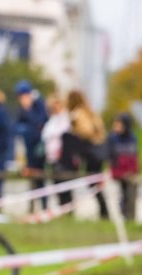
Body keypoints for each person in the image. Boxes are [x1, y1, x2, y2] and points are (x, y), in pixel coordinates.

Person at [62, 89, 109, 219]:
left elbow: (86, 132)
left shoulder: (77, 114)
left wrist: (75, 132)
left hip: (90, 153)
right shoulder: (91, 112)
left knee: (92, 182)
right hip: (98, 152)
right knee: (95, 182)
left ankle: (104, 211)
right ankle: (104, 211)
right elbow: (101, 131)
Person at [15, 80, 49, 208]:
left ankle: (44, 206)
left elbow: (40, 123)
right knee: (31, 177)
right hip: (28, 148)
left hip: (39, 148)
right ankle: (32, 207)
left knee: (40, 177)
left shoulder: (38, 104)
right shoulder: (21, 108)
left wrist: (28, 110)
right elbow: (16, 126)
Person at [107, 113, 140, 220]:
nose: (116, 127)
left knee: (131, 197)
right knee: (122, 197)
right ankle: (124, 215)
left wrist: (133, 171)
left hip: (130, 174)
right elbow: (110, 157)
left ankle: (130, 218)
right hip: (118, 173)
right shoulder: (112, 138)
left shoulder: (132, 139)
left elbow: (135, 157)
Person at [40, 93, 71, 206]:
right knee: (56, 185)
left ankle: (68, 210)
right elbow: (45, 135)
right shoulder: (52, 119)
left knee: (65, 187)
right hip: (52, 157)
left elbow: (62, 133)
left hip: (63, 158)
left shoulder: (66, 118)